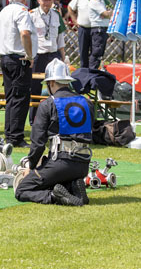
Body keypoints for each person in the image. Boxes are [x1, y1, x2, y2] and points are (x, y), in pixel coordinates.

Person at [15, 59, 91, 206]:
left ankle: (55, 197)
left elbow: (38, 142)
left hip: (60, 163)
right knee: (56, 178)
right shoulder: (86, 102)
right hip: (83, 165)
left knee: (22, 190)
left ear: (51, 83)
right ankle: (73, 188)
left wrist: (30, 166)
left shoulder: (48, 104)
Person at [0, 0, 36, 147]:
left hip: (5, 57)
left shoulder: (3, 12)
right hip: (19, 59)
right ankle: (16, 137)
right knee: (20, 98)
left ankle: (10, 134)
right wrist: (30, 54)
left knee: (11, 98)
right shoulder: (22, 11)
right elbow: (25, 33)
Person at [29, 0, 66, 124]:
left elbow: (60, 38)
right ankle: (34, 120)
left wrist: (63, 58)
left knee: (56, 88)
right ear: (39, 0)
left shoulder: (56, 15)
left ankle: (54, 118)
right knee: (35, 88)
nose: (47, 2)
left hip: (54, 54)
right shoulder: (32, 15)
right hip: (38, 55)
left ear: (53, 0)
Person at [67, 0, 94, 68]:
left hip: (95, 29)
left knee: (95, 52)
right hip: (83, 28)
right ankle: (84, 71)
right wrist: (74, 20)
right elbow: (70, 7)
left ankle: (93, 70)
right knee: (83, 52)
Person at [88, 0, 111, 69]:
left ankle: (95, 69)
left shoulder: (102, 0)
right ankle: (92, 70)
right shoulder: (94, 1)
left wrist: (108, 13)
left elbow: (111, 11)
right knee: (96, 51)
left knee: (100, 52)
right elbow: (106, 14)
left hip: (103, 28)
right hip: (98, 29)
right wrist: (107, 14)